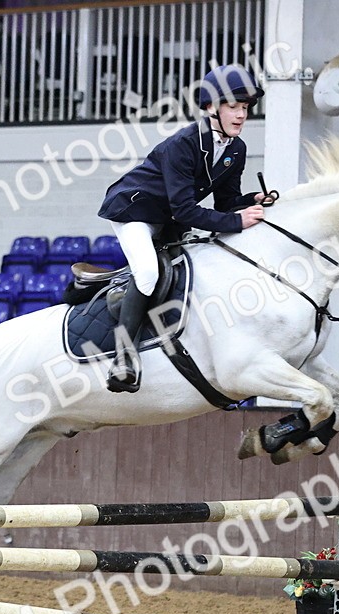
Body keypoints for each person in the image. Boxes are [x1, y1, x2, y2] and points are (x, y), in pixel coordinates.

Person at [97, 64, 268, 393]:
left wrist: (250, 201)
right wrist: (237, 221)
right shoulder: (184, 144)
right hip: (136, 210)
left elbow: (225, 202)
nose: (241, 115)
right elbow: (186, 210)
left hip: (170, 217)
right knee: (147, 272)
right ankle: (123, 357)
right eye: (233, 106)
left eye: (245, 108)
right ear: (210, 108)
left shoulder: (236, 148)